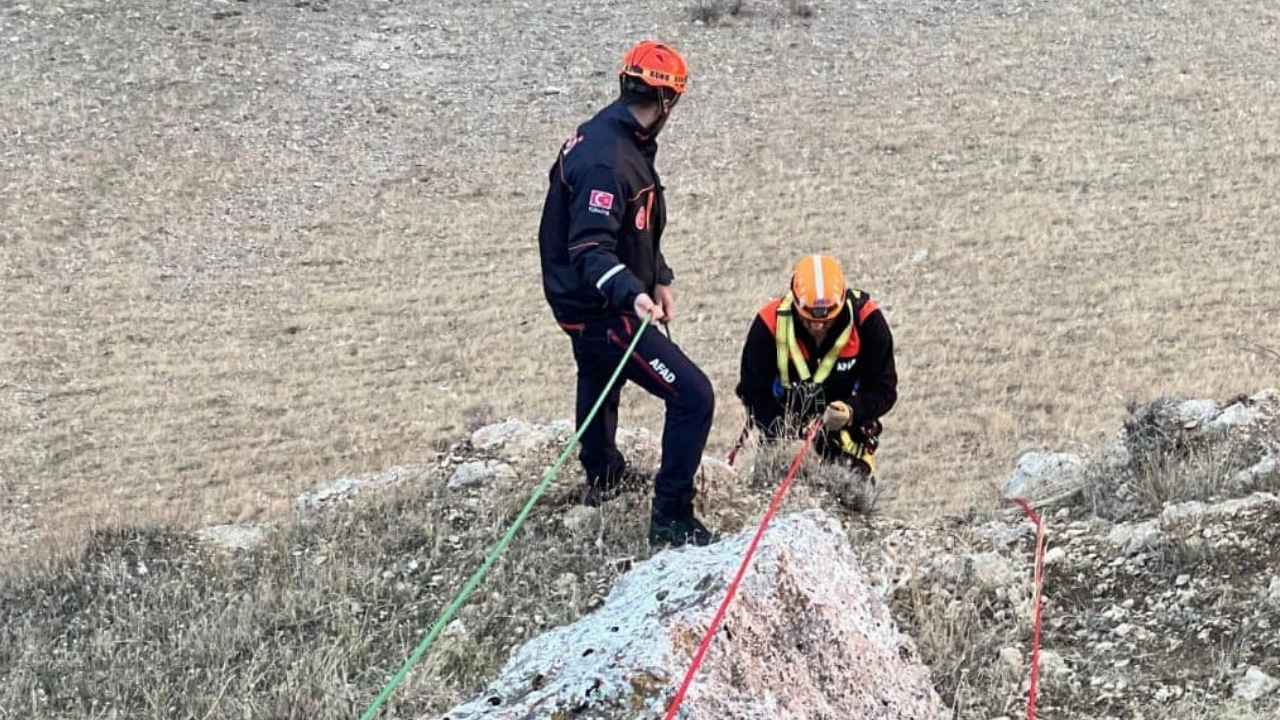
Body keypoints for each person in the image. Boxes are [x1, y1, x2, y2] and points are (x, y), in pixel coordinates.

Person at [537, 41, 716, 548]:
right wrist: (628, 294)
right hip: (600, 307)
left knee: (597, 375)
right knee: (693, 395)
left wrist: (658, 273)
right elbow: (592, 247)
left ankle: (603, 475)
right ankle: (671, 518)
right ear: (667, 102)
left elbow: (631, 228)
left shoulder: (617, 136)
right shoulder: (608, 161)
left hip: (584, 301)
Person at [736, 255, 898, 507]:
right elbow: (751, 391)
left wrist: (851, 411)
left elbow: (884, 389)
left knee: (854, 504)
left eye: (827, 320)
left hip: (846, 438)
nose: (818, 326)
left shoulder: (868, 323)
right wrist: (784, 435)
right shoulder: (769, 325)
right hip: (784, 440)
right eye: (809, 319)